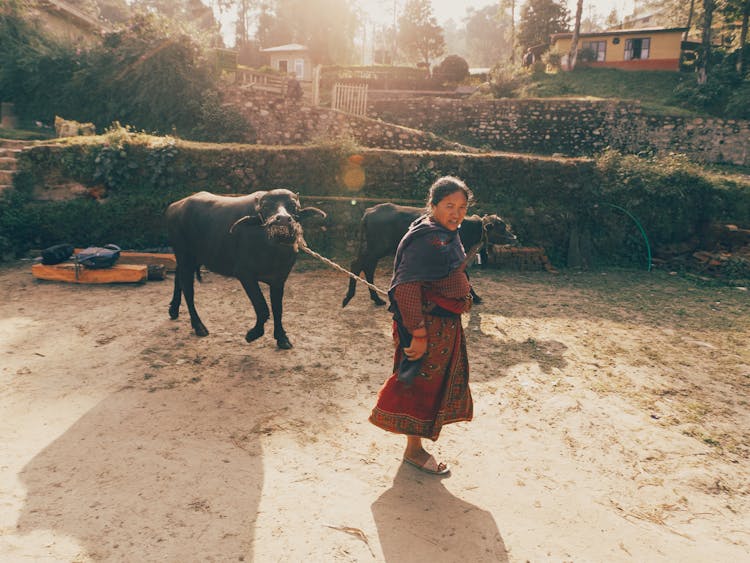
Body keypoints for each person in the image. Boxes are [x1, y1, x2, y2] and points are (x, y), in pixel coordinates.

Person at [369, 176, 475, 476]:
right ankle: (414, 450)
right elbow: (406, 288)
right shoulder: (427, 238)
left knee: (428, 384)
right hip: (425, 326)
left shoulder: (445, 234)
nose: (456, 213)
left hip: (443, 325)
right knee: (416, 384)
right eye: (449, 206)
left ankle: (416, 446)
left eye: (462, 207)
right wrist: (417, 334)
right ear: (433, 206)